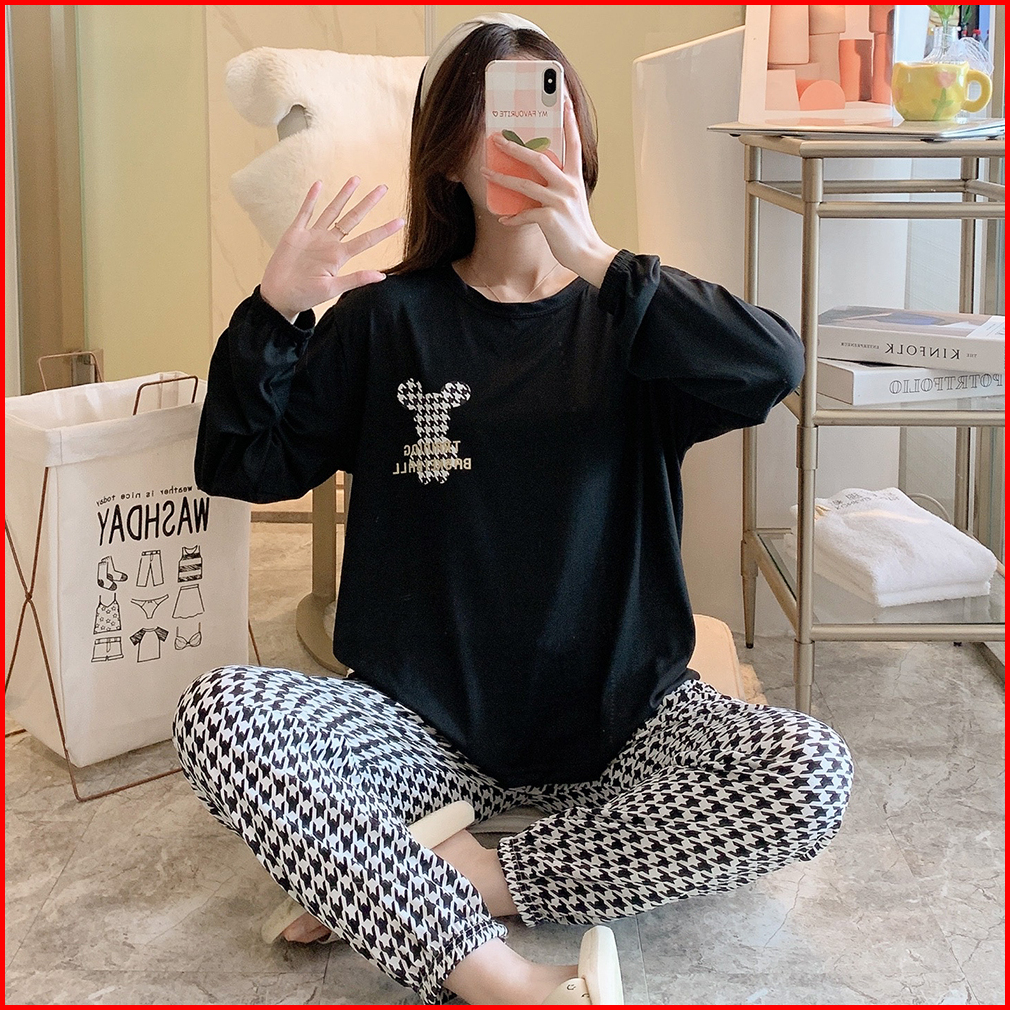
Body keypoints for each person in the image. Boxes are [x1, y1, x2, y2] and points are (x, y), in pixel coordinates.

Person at [174, 13, 853, 1006]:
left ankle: (442, 877)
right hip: (422, 731)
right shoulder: (385, 319)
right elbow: (240, 464)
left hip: (624, 725)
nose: (514, 142)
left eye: (539, 115)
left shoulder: (631, 318)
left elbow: (774, 365)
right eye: (485, 119)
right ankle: (498, 975)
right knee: (222, 713)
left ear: (576, 138)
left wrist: (597, 257)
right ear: (446, 153)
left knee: (808, 770)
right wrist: (275, 310)